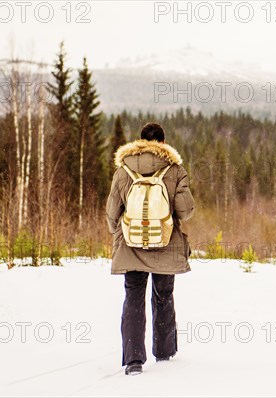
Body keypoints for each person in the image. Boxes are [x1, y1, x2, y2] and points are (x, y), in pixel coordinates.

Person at [106, 122, 195, 376]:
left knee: (133, 297)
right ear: (163, 143)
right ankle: (164, 351)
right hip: (165, 244)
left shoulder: (123, 169)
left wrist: (118, 232)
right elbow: (186, 211)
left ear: (141, 141)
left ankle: (134, 360)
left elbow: (112, 211)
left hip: (131, 245)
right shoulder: (175, 169)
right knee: (163, 296)